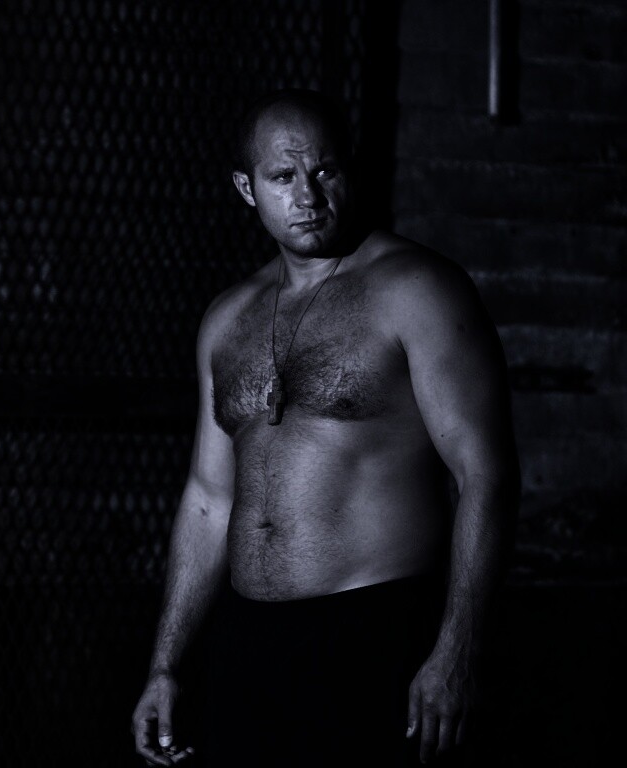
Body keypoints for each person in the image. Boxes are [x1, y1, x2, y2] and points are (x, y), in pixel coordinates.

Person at [130, 88, 520, 766]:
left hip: (377, 634)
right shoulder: (227, 319)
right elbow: (207, 498)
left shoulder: (416, 289)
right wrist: (166, 665)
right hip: (249, 645)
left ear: (349, 171)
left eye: (324, 171)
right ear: (247, 189)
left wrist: (457, 649)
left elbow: (486, 474)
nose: (307, 195)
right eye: (283, 177)